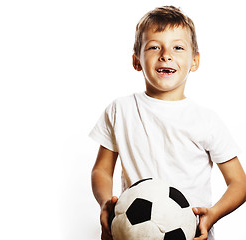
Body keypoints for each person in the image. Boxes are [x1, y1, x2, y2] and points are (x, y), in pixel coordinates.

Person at [89, 6, 246, 240]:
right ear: (136, 61)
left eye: (178, 47)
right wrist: (105, 203)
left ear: (194, 61)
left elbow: (239, 183)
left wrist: (212, 214)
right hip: (133, 233)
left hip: (192, 235)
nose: (166, 54)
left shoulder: (206, 120)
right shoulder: (120, 110)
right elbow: (101, 169)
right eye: (154, 47)